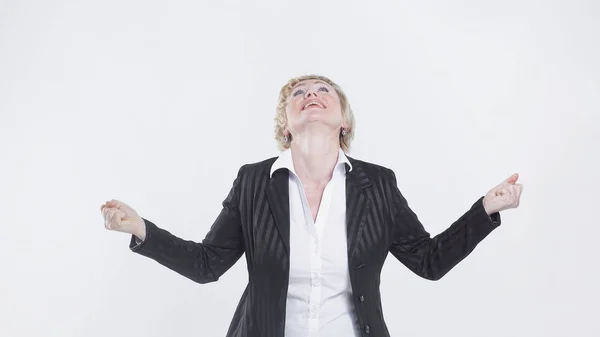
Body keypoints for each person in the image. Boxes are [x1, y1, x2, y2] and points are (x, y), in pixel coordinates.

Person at [100, 74, 523, 337]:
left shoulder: (376, 183)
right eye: (298, 93)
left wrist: (485, 209)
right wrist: (142, 231)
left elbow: (428, 260)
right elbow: (207, 264)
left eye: (323, 90)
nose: (311, 94)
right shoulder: (253, 182)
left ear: (345, 122)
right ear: (286, 125)